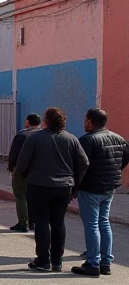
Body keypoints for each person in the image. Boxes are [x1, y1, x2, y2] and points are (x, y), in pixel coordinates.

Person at [15, 107, 89, 273]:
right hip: (64, 186)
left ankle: (43, 260)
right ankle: (57, 261)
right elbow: (84, 162)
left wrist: (26, 174)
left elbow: (21, 164)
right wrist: (75, 183)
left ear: (46, 121)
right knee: (58, 222)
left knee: (41, 221)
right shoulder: (71, 139)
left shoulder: (35, 138)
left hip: (39, 185)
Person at [71, 108, 127, 277]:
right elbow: (124, 159)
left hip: (91, 188)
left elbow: (81, 166)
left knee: (92, 224)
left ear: (89, 121)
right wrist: (114, 173)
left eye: (85, 120)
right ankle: (106, 262)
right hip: (110, 186)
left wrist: (74, 187)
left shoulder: (87, 141)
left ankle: (93, 262)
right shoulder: (119, 139)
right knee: (104, 222)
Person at [7, 113, 42, 232]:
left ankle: (23, 222)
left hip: (22, 170)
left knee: (21, 195)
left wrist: (11, 167)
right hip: (39, 171)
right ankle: (33, 221)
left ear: (27, 122)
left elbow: (14, 154)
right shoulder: (43, 135)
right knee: (32, 196)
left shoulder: (22, 135)